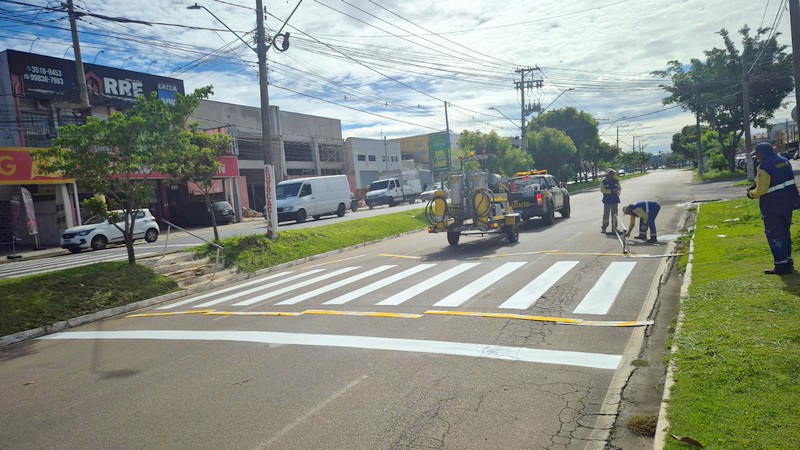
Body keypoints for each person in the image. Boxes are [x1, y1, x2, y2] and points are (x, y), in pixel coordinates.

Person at [747, 142, 800, 275]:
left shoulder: (764, 167)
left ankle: (781, 266)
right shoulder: (784, 161)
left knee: (775, 235)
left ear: (763, 153)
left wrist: (751, 193)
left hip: (772, 206)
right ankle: (788, 262)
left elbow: (761, 190)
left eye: (757, 154)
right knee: (785, 232)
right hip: (788, 203)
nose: (757, 157)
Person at [600, 168, 621, 233]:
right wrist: (611, 191)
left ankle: (614, 228)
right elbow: (602, 190)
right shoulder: (603, 181)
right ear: (607, 174)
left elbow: (619, 188)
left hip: (615, 200)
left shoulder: (616, 180)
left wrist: (617, 191)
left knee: (614, 214)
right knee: (606, 214)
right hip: (607, 200)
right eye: (610, 173)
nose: (612, 174)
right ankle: (604, 227)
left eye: (612, 173)